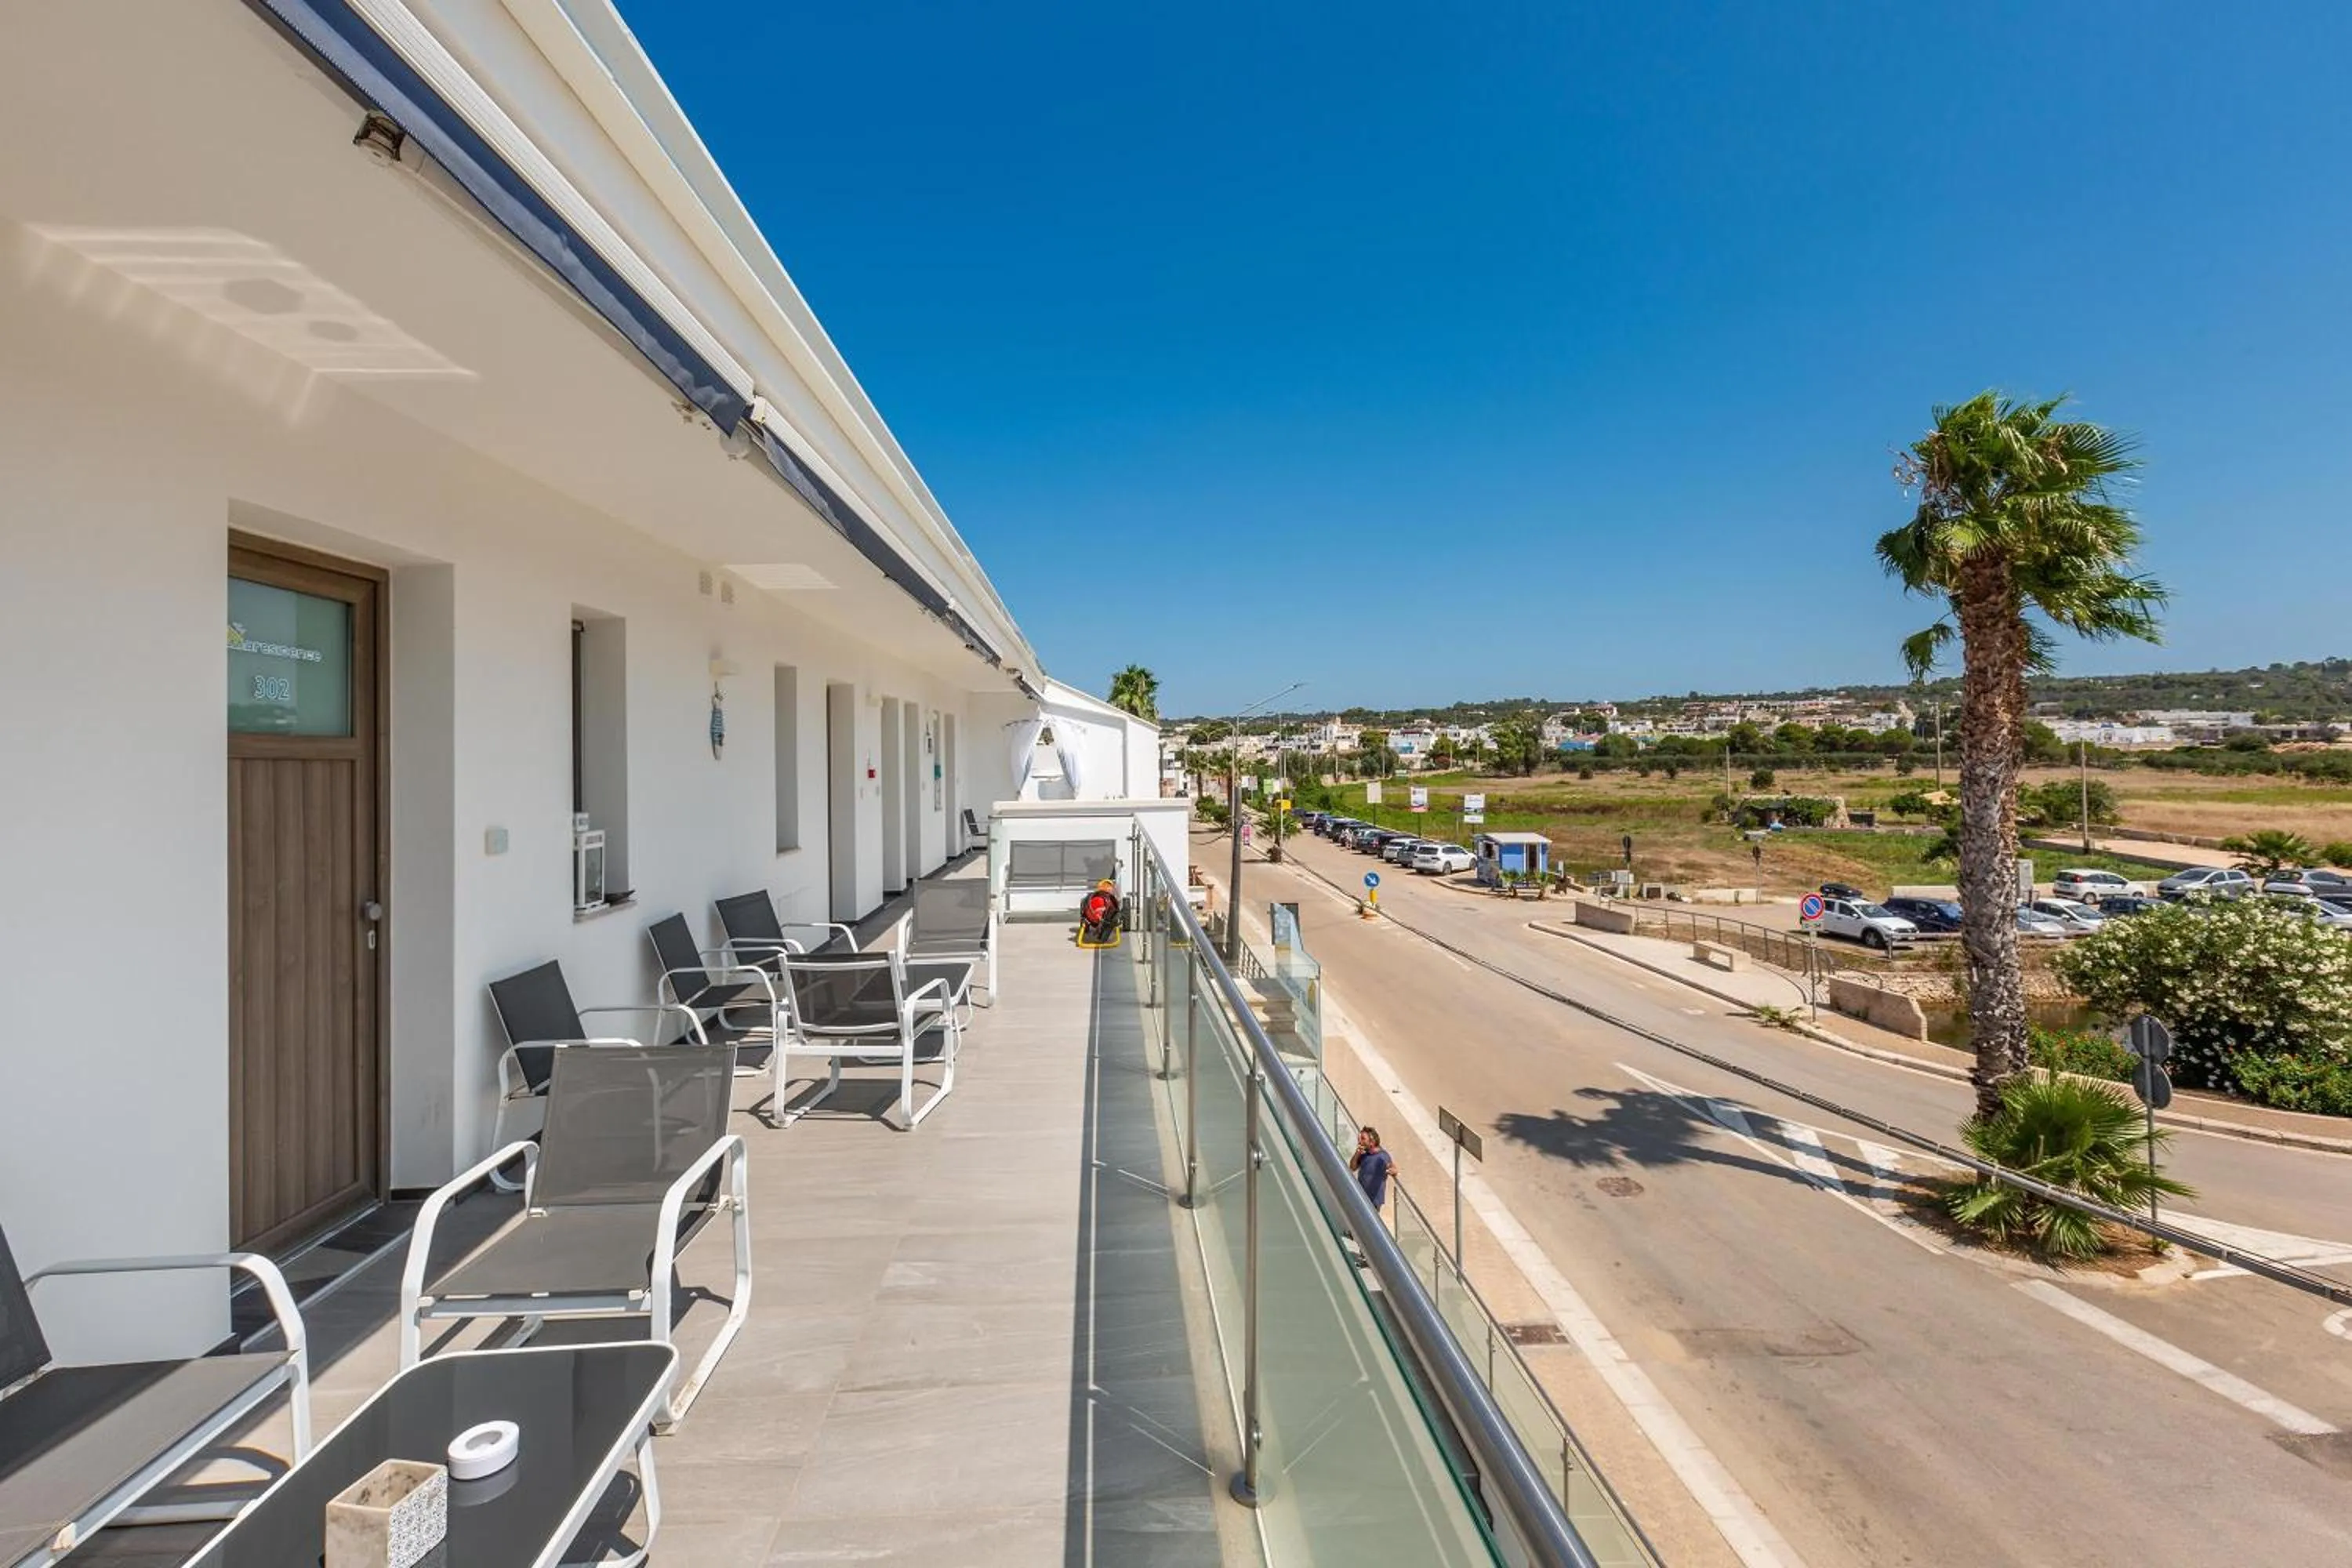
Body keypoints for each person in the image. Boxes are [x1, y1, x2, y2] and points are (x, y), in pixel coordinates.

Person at [1350, 1126, 1394, 1211]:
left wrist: (1393, 1171)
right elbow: (1352, 1167)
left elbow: (1392, 1167)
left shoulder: (1382, 1156)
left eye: (1363, 1139)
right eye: (1359, 1138)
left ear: (1372, 1142)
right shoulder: (1364, 1154)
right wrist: (1357, 1153)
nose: (1359, 1141)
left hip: (1374, 1201)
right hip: (1361, 1197)